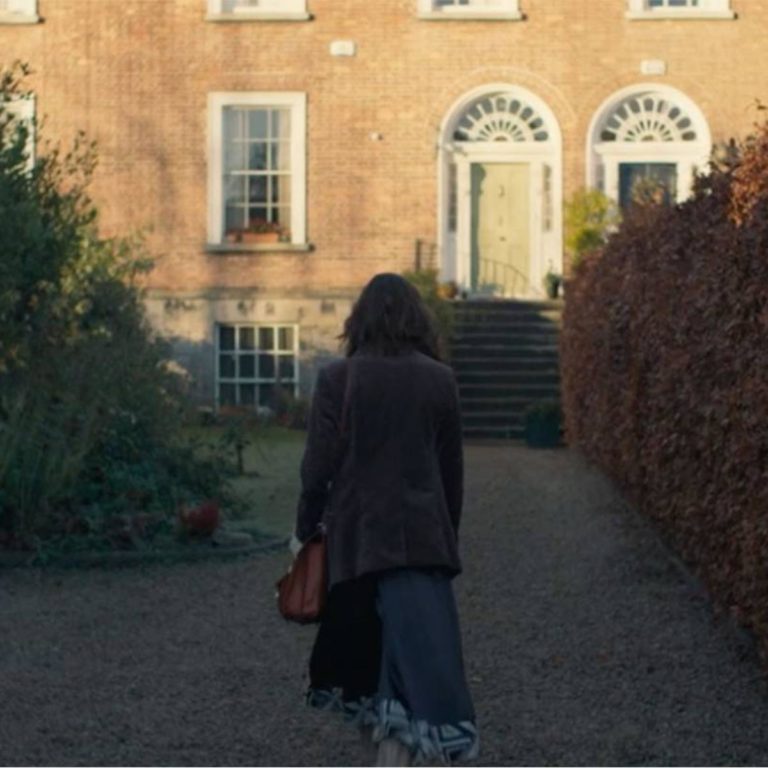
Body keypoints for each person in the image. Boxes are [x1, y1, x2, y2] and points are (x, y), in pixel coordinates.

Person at [292, 272, 479, 766]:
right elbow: (451, 476)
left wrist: (305, 531)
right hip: (422, 548)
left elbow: (316, 471)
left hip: (356, 547)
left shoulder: (338, 378)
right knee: (414, 679)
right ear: (417, 319)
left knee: (364, 677)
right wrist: (446, 542)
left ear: (360, 320)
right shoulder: (440, 380)